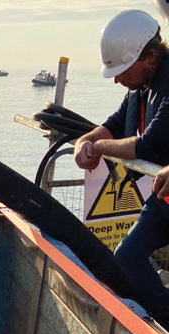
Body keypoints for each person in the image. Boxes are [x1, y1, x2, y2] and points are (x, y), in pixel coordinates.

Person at [76, 9, 169, 316]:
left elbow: (149, 144)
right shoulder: (142, 88)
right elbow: (114, 124)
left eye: (123, 69)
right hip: (165, 195)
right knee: (127, 256)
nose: (116, 79)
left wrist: (99, 147)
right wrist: (84, 142)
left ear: (150, 56)